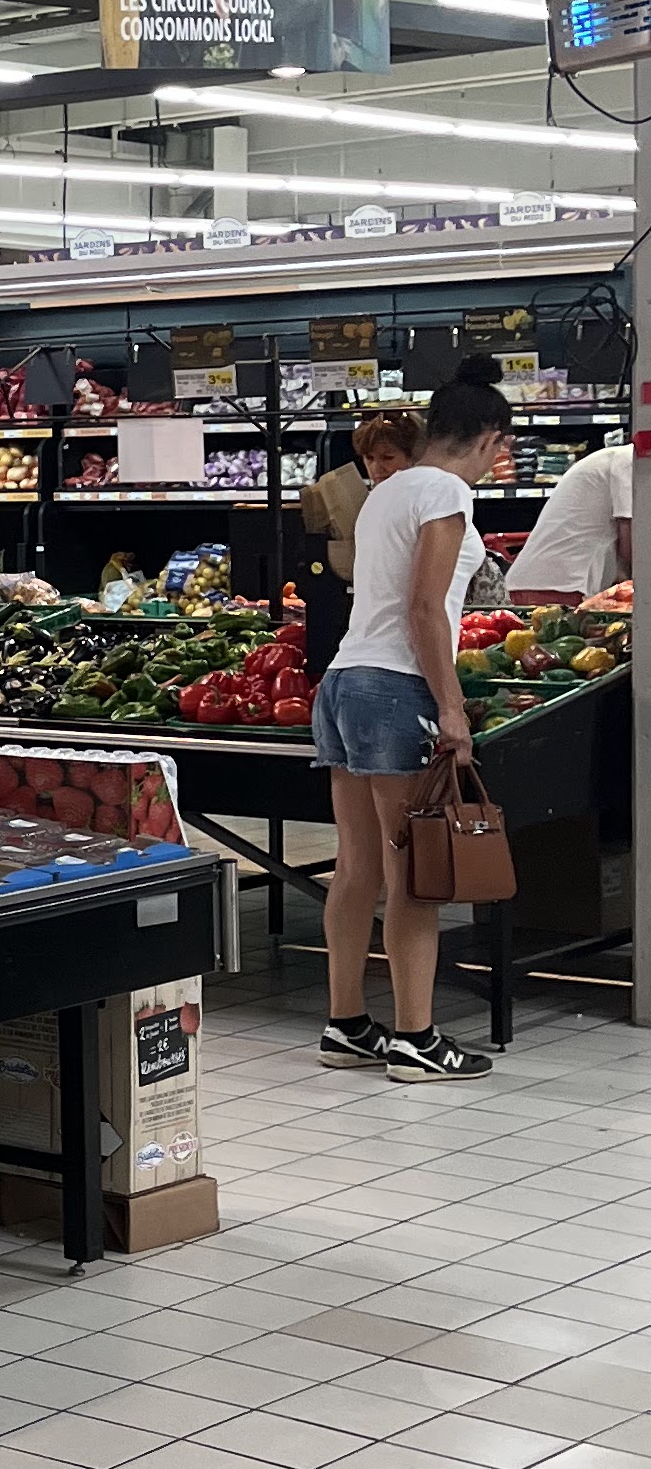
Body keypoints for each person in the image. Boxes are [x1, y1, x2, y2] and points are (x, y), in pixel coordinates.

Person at [311, 358, 512, 1081]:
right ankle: (416, 1039)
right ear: (488, 438)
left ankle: (345, 1024)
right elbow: (427, 608)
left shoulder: (385, 493)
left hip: (342, 682)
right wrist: (451, 707)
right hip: (396, 688)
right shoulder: (447, 492)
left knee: (356, 865)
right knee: (413, 874)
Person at [299, 407, 418, 676]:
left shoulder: (420, 500)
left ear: (413, 456)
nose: (377, 467)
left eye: (388, 457)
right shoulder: (373, 500)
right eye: (369, 458)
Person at [507, 432, 632, 607]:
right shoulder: (629, 460)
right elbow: (632, 540)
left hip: (556, 583)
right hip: (557, 586)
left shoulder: (619, 459)